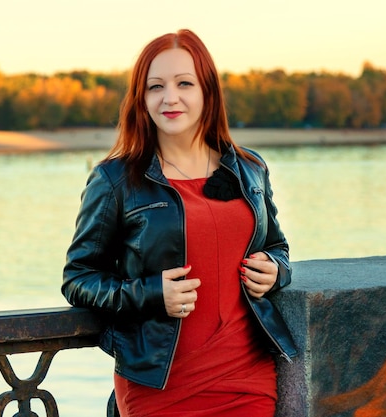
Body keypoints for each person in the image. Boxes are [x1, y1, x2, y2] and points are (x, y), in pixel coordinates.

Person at [61, 28, 297, 417]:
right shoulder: (115, 180)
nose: (170, 98)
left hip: (246, 375)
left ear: (207, 90)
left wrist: (275, 271)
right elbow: (78, 279)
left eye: (184, 83)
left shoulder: (249, 169)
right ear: (142, 99)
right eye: (156, 87)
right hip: (159, 384)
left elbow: (278, 248)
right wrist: (152, 293)